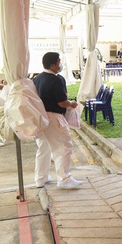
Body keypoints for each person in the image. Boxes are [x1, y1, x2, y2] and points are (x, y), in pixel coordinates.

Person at [33, 52, 81, 189]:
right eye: (59, 62)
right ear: (53, 65)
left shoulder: (37, 79)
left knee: (43, 148)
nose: (61, 65)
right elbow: (62, 103)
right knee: (64, 147)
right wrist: (71, 103)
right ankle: (64, 179)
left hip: (41, 118)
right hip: (54, 117)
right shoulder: (56, 79)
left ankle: (40, 179)